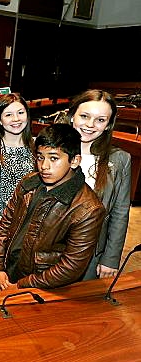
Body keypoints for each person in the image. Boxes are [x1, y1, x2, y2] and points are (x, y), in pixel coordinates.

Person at [0, 123, 106, 290]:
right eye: (40, 157)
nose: (44, 166)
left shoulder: (88, 209)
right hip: (7, 273)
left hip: (42, 287)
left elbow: (71, 267)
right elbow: (4, 226)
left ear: (74, 161)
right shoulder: (28, 183)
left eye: (54, 158)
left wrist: (22, 285)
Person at [66, 89, 131, 280]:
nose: (90, 125)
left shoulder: (120, 159)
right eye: (84, 116)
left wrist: (111, 258)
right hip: (49, 252)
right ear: (72, 116)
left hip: (91, 255)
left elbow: (120, 213)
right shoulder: (53, 150)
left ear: (109, 125)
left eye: (100, 120)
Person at [0, 93, 35, 225]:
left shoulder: (37, 149)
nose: (16, 119)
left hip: (30, 224)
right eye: (8, 115)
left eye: (20, 112)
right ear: (0, 121)